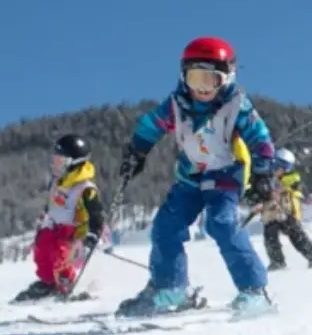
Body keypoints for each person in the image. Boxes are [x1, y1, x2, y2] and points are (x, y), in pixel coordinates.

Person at [116, 36, 279, 318]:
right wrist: (137, 152)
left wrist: (263, 174)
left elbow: (260, 138)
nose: (202, 89)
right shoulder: (176, 104)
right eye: (195, 79)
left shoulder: (237, 105)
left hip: (225, 175)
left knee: (222, 223)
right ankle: (170, 289)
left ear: (227, 78)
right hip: (190, 177)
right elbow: (151, 125)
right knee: (165, 227)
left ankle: (254, 292)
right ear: (183, 77)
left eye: (210, 80)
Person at [16, 134, 107, 302]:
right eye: (55, 160)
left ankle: (69, 282)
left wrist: (94, 234)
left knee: (62, 253)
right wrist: (44, 220)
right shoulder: (58, 181)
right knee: (42, 247)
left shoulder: (85, 188)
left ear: (73, 163)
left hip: (76, 233)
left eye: (60, 161)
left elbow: (96, 214)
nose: (55, 165)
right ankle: (49, 282)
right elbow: (52, 204)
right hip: (55, 227)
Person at [252, 147, 312, 270]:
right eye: (279, 166)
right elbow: (262, 190)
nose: (280, 170)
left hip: (288, 213)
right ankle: (277, 262)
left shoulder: (291, 177)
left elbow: (292, 186)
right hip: (271, 214)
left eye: (285, 167)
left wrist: (280, 189)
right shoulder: (267, 177)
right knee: (270, 237)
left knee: (297, 236)